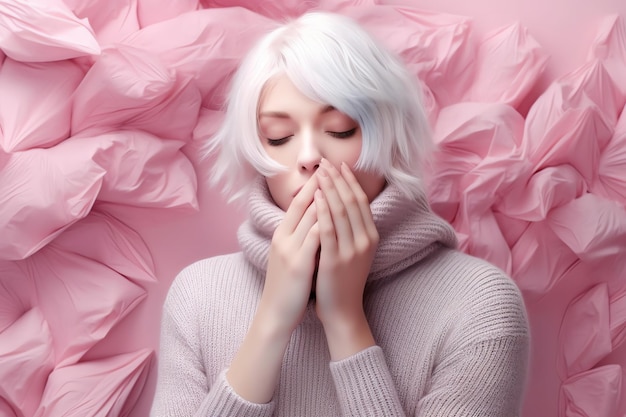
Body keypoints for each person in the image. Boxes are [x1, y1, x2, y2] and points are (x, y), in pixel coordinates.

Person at [150, 11, 529, 417]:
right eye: (279, 137)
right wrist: (271, 323)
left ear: (391, 139)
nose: (310, 157)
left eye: (340, 129)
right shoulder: (197, 295)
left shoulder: (479, 304)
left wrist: (346, 323)